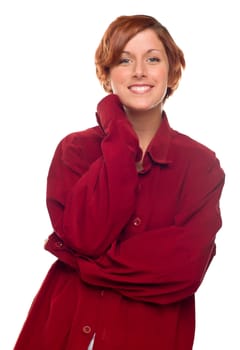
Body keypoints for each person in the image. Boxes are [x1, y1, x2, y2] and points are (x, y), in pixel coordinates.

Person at [14, 14, 225, 350]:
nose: (139, 70)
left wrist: (82, 263)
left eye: (153, 59)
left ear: (172, 71)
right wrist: (119, 135)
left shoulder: (201, 167)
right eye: (124, 60)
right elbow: (87, 237)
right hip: (59, 332)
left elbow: (183, 269)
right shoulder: (76, 151)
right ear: (107, 73)